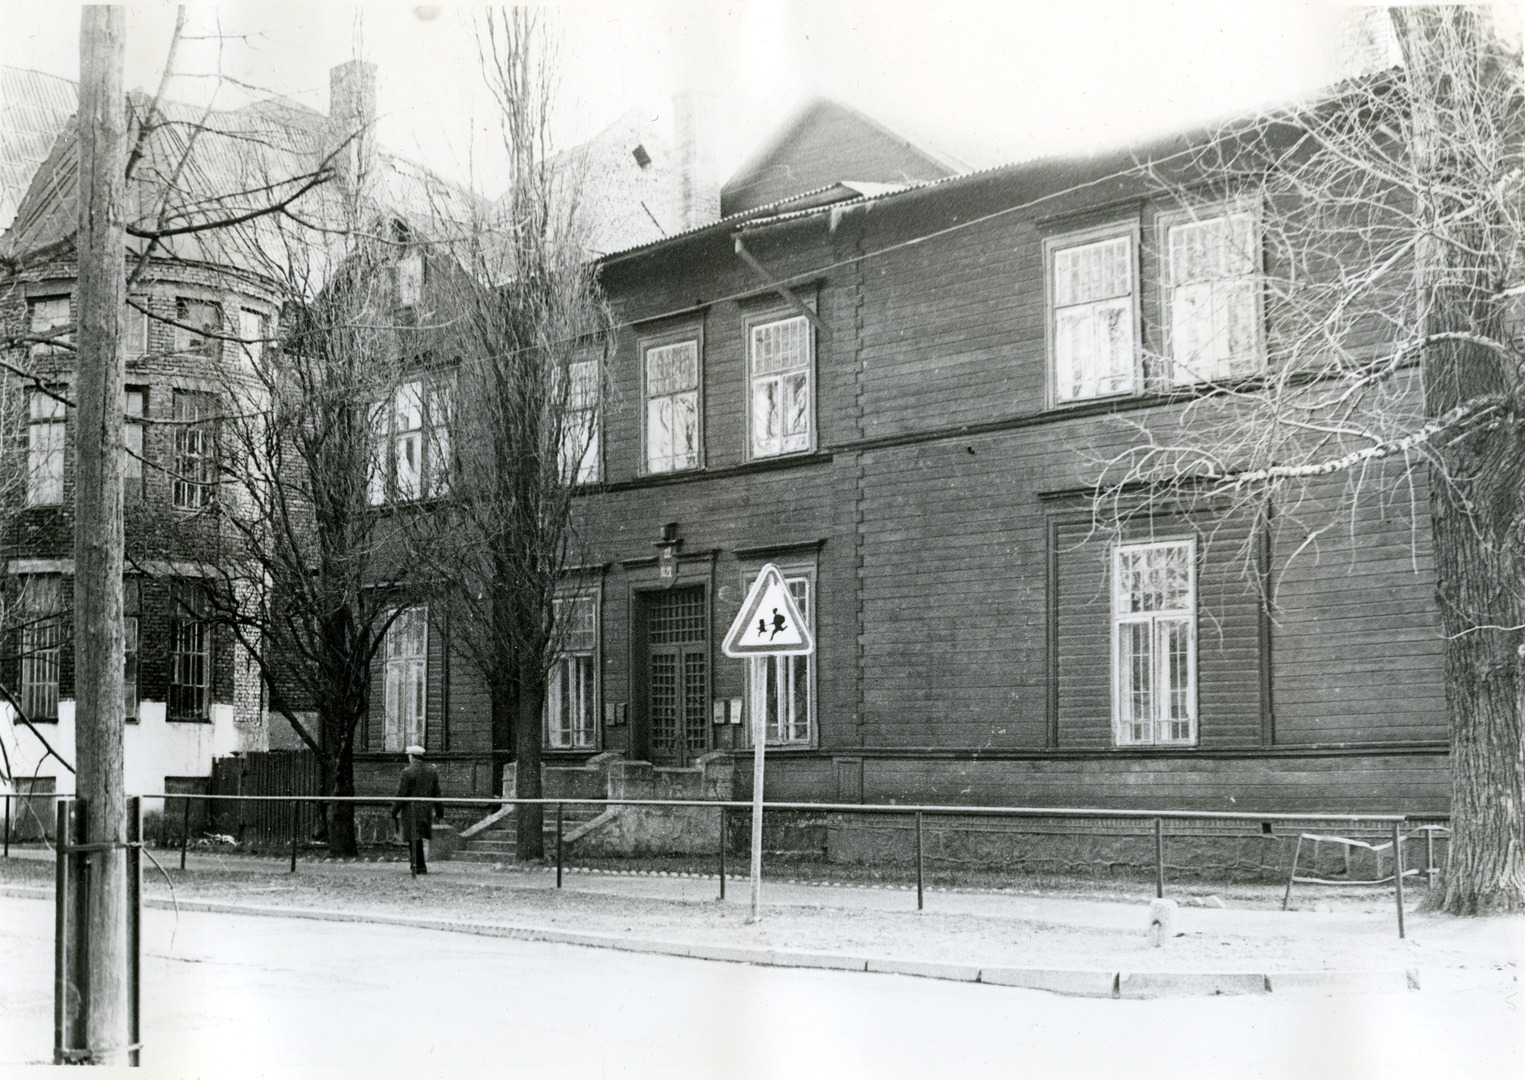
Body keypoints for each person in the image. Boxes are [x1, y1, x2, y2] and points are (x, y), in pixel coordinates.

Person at [392, 745, 444, 875]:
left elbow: (401, 794)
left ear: (412, 756)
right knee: (418, 838)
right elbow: (437, 793)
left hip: (410, 810)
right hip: (425, 809)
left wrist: (394, 810)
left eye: (409, 756)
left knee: (413, 838)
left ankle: (418, 867)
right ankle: (417, 866)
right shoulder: (432, 771)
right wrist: (439, 811)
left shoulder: (407, 772)